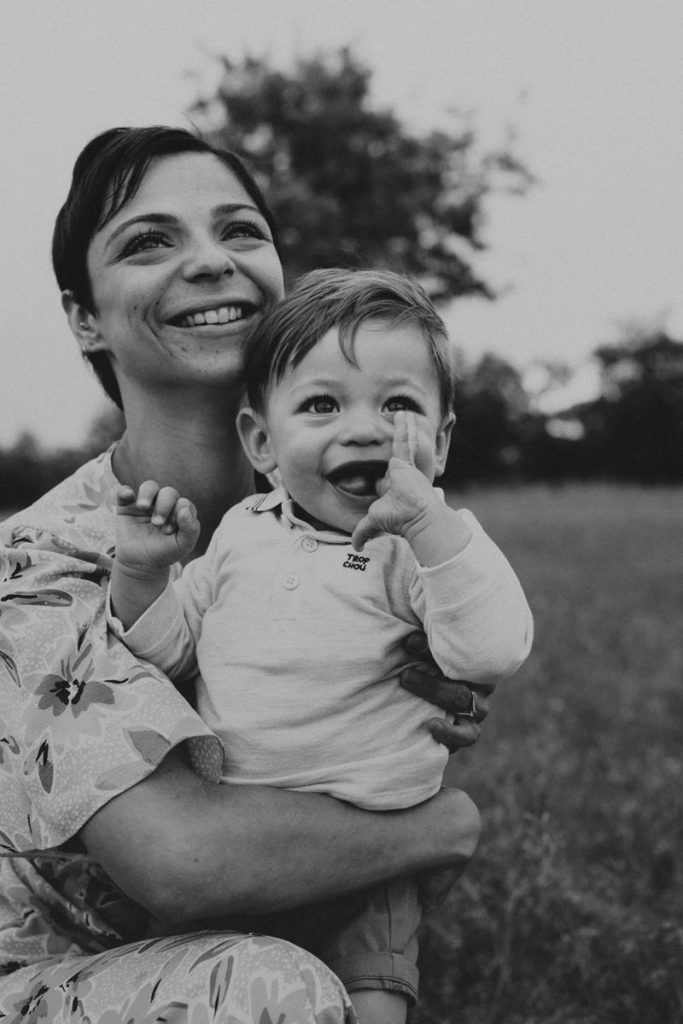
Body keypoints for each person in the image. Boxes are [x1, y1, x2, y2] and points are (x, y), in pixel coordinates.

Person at [0, 127, 493, 1023]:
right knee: (275, 989)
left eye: (240, 232)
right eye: (149, 241)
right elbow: (181, 861)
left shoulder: (357, 509)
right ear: (82, 315)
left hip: (267, 927)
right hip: (54, 971)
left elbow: (456, 661)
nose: (210, 262)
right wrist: (439, 825)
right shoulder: (36, 564)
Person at [108, 268, 533, 1024]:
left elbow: (490, 652)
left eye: (397, 404)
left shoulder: (422, 551)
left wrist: (428, 522)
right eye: (322, 405)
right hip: (239, 845)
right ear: (263, 441)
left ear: (437, 439)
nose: (363, 428)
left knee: (366, 1010)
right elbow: (169, 653)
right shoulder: (239, 534)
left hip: (368, 859)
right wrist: (143, 575)